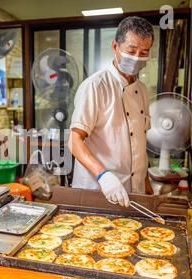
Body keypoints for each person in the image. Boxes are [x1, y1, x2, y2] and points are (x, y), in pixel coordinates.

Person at [69, 16, 154, 207]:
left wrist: (146, 184)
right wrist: (103, 175)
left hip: (135, 193)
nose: (136, 58)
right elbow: (75, 142)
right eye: (131, 50)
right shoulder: (95, 86)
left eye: (144, 53)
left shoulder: (142, 91)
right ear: (115, 47)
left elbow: (138, 143)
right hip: (98, 190)